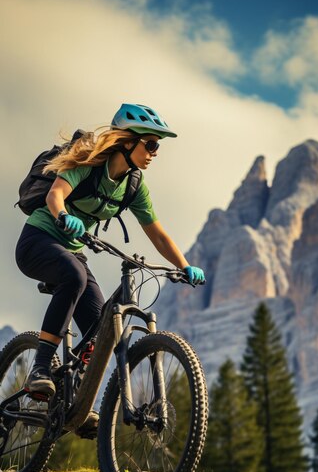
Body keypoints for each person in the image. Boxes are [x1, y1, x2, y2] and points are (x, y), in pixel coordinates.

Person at [15, 103, 205, 409]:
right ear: (127, 141)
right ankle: (40, 368)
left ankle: (74, 404)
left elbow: (157, 234)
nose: (155, 152)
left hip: (72, 252)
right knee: (73, 277)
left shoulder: (133, 186)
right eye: (151, 144)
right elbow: (55, 194)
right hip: (38, 240)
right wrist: (63, 215)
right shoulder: (88, 164)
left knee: (100, 325)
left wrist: (184, 266)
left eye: (158, 146)